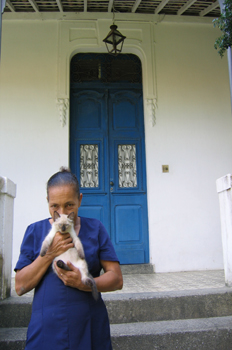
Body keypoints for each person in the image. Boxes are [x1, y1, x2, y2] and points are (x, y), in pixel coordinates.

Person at [15, 167, 123, 350]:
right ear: (47, 203)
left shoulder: (95, 228)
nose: (62, 212)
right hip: (46, 330)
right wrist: (49, 254)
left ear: (79, 200)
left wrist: (85, 283)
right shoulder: (35, 231)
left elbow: (117, 279)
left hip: (89, 327)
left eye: (69, 205)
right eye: (55, 206)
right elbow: (20, 286)